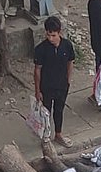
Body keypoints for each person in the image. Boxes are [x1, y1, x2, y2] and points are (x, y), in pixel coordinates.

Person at [33, 16, 76, 148]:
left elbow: (70, 62)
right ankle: (46, 136)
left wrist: (68, 80)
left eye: (53, 35)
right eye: (48, 35)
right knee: (46, 112)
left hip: (62, 85)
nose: (50, 38)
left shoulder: (67, 45)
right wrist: (37, 90)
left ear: (59, 33)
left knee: (59, 110)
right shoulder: (41, 49)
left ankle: (58, 134)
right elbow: (37, 70)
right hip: (46, 87)